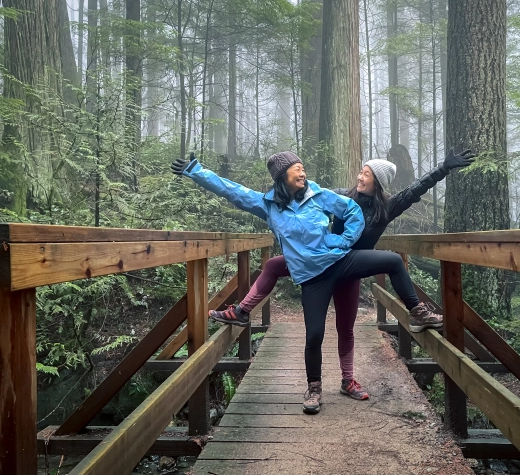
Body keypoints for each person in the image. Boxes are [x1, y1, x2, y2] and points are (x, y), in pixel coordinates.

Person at [171, 151, 452, 414]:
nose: (303, 172)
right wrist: (196, 171)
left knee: (390, 263)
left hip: (341, 261)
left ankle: (413, 315)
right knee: (314, 334)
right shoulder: (267, 205)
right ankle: (314, 389)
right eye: (297, 168)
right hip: (312, 276)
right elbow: (232, 191)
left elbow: (353, 212)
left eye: (303, 168)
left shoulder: (318, 195)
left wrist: (341, 241)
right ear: (283, 175)